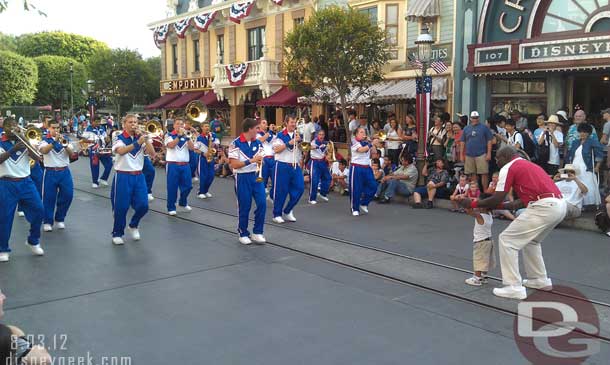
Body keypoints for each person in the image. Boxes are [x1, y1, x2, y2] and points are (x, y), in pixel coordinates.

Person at [458, 145, 566, 300]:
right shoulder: (529, 165)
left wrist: (473, 204)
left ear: (505, 156)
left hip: (543, 206)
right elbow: (517, 203)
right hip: (558, 204)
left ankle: (513, 286)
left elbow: (497, 198)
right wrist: (492, 206)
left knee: (507, 240)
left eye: (497, 158)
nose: (496, 161)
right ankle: (539, 279)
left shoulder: (509, 167)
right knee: (532, 241)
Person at [0, 122, 45, 262]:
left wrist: (26, 141)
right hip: (6, 183)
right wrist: (13, 149)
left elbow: (38, 158)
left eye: (16, 126)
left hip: (26, 182)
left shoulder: (25, 140)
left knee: (39, 210)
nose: (14, 129)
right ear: (5, 128)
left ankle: (33, 240)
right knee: (4, 218)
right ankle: (3, 248)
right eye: (10, 127)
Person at [110, 114, 156, 245]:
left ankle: (133, 225)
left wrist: (145, 139)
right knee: (121, 207)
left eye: (135, 122)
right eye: (130, 122)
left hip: (138, 175)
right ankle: (117, 233)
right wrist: (138, 143)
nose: (133, 124)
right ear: (124, 124)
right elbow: (121, 151)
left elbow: (152, 153)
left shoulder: (141, 137)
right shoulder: (118, 137)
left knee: (144, 205)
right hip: (123, 175)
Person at [228, 118, 266, 245]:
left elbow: (261, 159)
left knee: (262, 203)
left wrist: (261, 161)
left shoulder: (258, 143)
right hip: (242, 177)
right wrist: (251, 160)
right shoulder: (235, 144)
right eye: (256, 128)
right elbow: (234, 165)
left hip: (256, 176)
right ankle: (242, 232)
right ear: (250, 129)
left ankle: (257, 232)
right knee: (245, 206)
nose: (258, 131)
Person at [38, 122, 75, 232]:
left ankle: (60, 218)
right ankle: (47, 221)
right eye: (53, 127)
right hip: (50, 171)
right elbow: (44, 151)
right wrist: (54, 141)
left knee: (68, 195)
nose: (55, 130)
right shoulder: (44, 140)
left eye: (57, 127)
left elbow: (71, 154)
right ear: (49, 128)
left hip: (64, 171)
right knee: (48, 198)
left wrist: (65, 144)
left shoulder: (66, 139)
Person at [272, 115, 305, 223]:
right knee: (281, 191)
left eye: (295, 122)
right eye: (291, 122)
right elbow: (276, 150)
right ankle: (277, 214)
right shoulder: (280, 135)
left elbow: (302, 150)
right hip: (282, 165)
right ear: (286, 123)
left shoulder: (298, 135)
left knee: (300, 188)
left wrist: (300, 144)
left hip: (295, 165)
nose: (294, 124)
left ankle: (288, 210)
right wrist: (288, 143)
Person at [565, 123, 604, 207]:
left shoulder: (593, 142)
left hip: (586, 167)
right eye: (580, 132)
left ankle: (587, 204)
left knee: (587, 184)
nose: (582, 133)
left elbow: (599, 155)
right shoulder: (575, 142)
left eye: (585, 132)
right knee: (576, 184)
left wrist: (597, 166)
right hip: (575, 166)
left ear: (589, 133)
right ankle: (577, 202)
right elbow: (570, 155)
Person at [464, 192, 496, 286]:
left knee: (479, 259)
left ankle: (477, 278)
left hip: (480, 241)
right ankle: (484, 276)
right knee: (485, 259)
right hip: (489, 240)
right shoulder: (489, 214)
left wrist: (469, 202)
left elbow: (469, 211)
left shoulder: (480, 216)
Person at [164, 117, 194, 216]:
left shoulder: (186, 136)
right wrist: (179, 136)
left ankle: (182, 202)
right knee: (172, 187)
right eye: (178, 124)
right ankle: (171, 207)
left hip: (185, 165)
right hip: (172, 164)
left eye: (181, 124)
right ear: (174, 126)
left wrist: (187, 138)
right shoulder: (168, 135)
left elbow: (192, 148)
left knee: (188, 186)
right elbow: (171, 145)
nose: (180, 126)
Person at [349, 127, 378, 216]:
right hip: (356, 167)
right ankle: (355, 208)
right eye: (361, 132)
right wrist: (371, 143)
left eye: (364, 132)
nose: (363, 134)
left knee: (373, 186)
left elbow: (374, 153)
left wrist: (372, 144)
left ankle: (364, 203)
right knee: (356, 189)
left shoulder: (367, 143)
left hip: (367, 167)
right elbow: (361, 150)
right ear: (356, 134)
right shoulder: (354, 142)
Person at [461, 111, 493, 190]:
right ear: (470, 118)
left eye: (476, 118)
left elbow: (490, 140)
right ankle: (475, 191)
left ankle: (485, 191)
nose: (475, 119)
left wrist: (489, 153)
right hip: (469, 154)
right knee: (472, 174)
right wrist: (462, 154)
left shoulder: (484, 127)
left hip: (481, 153)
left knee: (484, 173)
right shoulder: (466, 128)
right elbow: (462, 141)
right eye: (473, 118)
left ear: (478, 118)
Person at [82, 117, 112, 188]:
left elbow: (106, 139)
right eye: (96, 122)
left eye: (99, 122)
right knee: (95, 166)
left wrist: (108, 139)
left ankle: (103, 178)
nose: (98, 123)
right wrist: (92, 141)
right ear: (92, 121)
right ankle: (95, 182)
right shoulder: (88, 129)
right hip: (93, 149)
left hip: (102, 148)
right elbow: (83, 139)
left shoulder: (102, 128)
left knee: (109, 163)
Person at [194, 122, 220, 199]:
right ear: (202, 127)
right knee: (203, 176)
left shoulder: (213, 135)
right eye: (205, 126)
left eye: (208, 126)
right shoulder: (199, 138)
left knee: (211, 176)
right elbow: (195, 149)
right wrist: (203, 153)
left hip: (211, 157)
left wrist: (214, 145)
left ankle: (206, 190)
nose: (207, 128)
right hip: (202, 158)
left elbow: (218, 143)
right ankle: (200, 192)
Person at [308, 130, 332, 204]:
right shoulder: (314, 142)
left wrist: (328, 153)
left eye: (323, 134)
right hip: (315, 162)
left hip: (322, 162)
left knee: (328, 178)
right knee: (314, 180)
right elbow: (309, 147)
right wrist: (316, 147)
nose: (321, 136)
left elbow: (326, 152)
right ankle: (312, 198)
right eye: (320, 134)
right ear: (317, 135)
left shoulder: (325, 143)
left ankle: (323, 193)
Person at [256, 119, 275, 196]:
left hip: (273, 158)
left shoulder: (271, 134)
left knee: (275, 179)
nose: (266, 124)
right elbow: (261, 140)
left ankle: (271, 195)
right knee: (262, 178)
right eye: (263, 123)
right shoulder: (257, 134)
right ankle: (260, 196)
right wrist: (270, 131)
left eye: (266, 123)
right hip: (263, 159)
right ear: (259, 125)